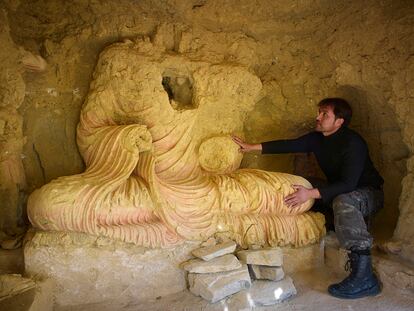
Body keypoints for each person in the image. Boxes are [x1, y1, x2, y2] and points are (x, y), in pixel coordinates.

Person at [232, 97, 383, 299]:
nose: (317, 117)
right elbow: (289, 145)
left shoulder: (353, 143)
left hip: (367, 192)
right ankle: (332, 221)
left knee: (342, 201)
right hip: (340, 189)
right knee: (307, 182)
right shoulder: (317, 138)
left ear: (339, 121)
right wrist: (251, 147)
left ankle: (365, 278)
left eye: (324, 114)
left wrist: (309, 194)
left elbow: (348, 185)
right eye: (319, 112)